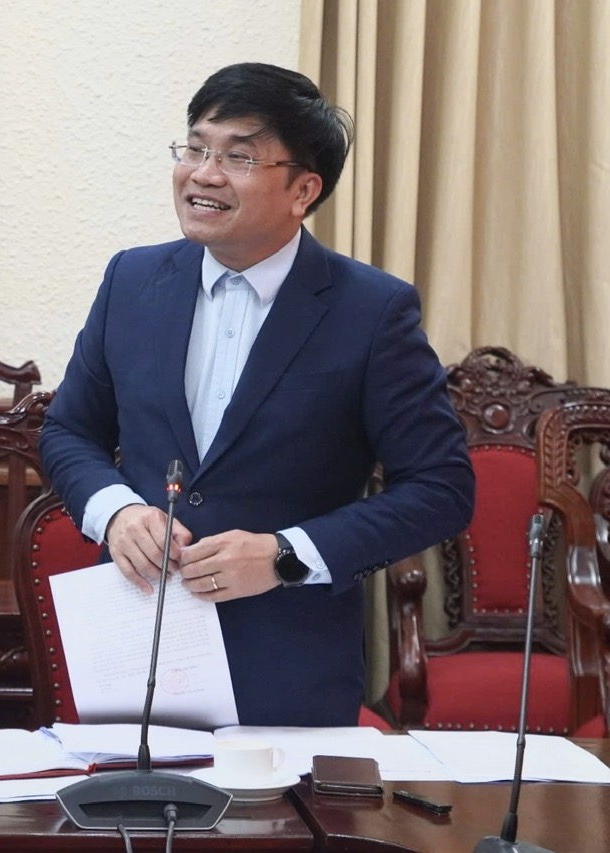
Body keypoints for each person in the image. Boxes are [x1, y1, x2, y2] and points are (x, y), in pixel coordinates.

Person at [39, 63, 474, 727]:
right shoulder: (132, 280)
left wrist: (286, 555)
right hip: (139, 652)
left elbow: (442, 488)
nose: (204, 174)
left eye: (238, 157)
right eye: (195, 148)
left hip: (288, 668)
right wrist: (116, 511)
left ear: (304, 189)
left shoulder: (371, 311)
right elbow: (70, 431)